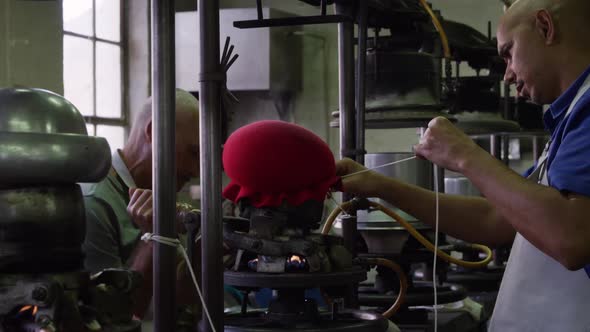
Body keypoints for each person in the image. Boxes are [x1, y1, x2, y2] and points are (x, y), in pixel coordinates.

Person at [336, 0, 590, 330]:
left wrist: (465, 155)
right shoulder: (568, 121)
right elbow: (496, 217)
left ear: (545, 27)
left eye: (509, 52)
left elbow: (571, 238)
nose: (508, 74)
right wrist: (381, 186)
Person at [82, 89, 201, 318]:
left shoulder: (162, 188)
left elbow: (180, 301)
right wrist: (154, 238)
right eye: (193, 153)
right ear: (155, 133)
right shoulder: (94, 205)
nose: (196, 171)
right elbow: (109, 319)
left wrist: (200, 251)